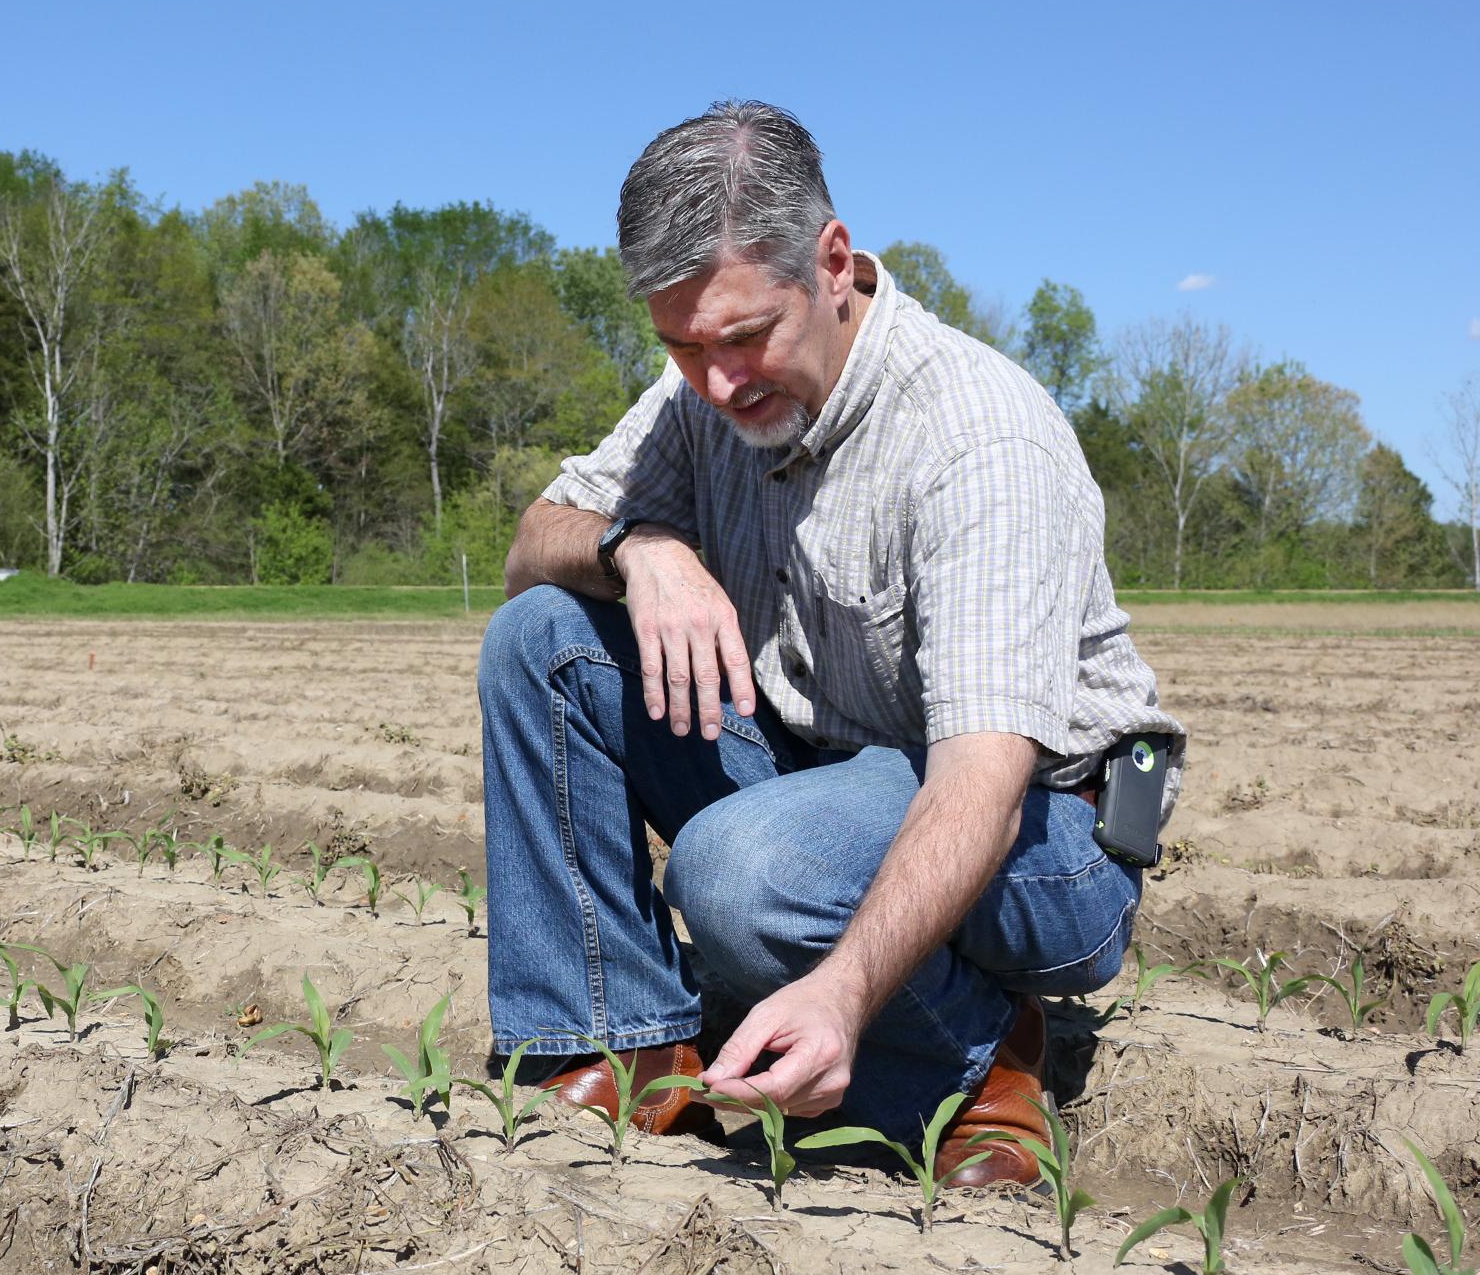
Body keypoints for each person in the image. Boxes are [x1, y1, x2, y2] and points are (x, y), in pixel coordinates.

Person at [478, 100, 1184, 1184]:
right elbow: (533, 542)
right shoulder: (700, 395)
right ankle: (624, 1044)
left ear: (832, 262)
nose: (716, 382)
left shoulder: (975, 436)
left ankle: (980, 1061)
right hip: (819, 780)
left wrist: (844, 991)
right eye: (680, 347)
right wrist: (640, 547)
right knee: (542, 639)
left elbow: (980, 785)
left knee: (742, 872)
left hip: (1042, 836)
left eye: (743, 337)